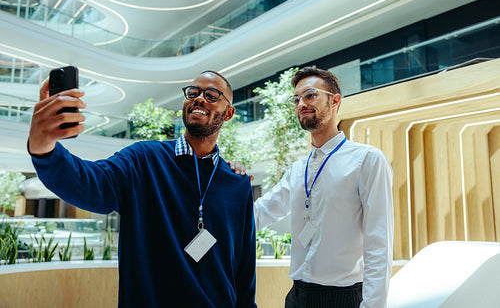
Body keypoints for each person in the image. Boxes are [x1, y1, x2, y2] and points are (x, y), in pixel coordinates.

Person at [28, 70, 257, 307]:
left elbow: (245, 269)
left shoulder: (237, 183)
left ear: (229, 113)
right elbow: (88, 184)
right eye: (193, 92)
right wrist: (44, 147)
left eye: (211, 95)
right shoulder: (143, 159)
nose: (199, 98)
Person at [252, 66, 393, 308]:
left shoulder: (367, 159)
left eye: (310, 95)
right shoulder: (299, 168)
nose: (301, 104)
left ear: (335, 101)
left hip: (343, 298)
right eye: (296, 99)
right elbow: (260, 213)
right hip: (298, 296)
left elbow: (379, 242)